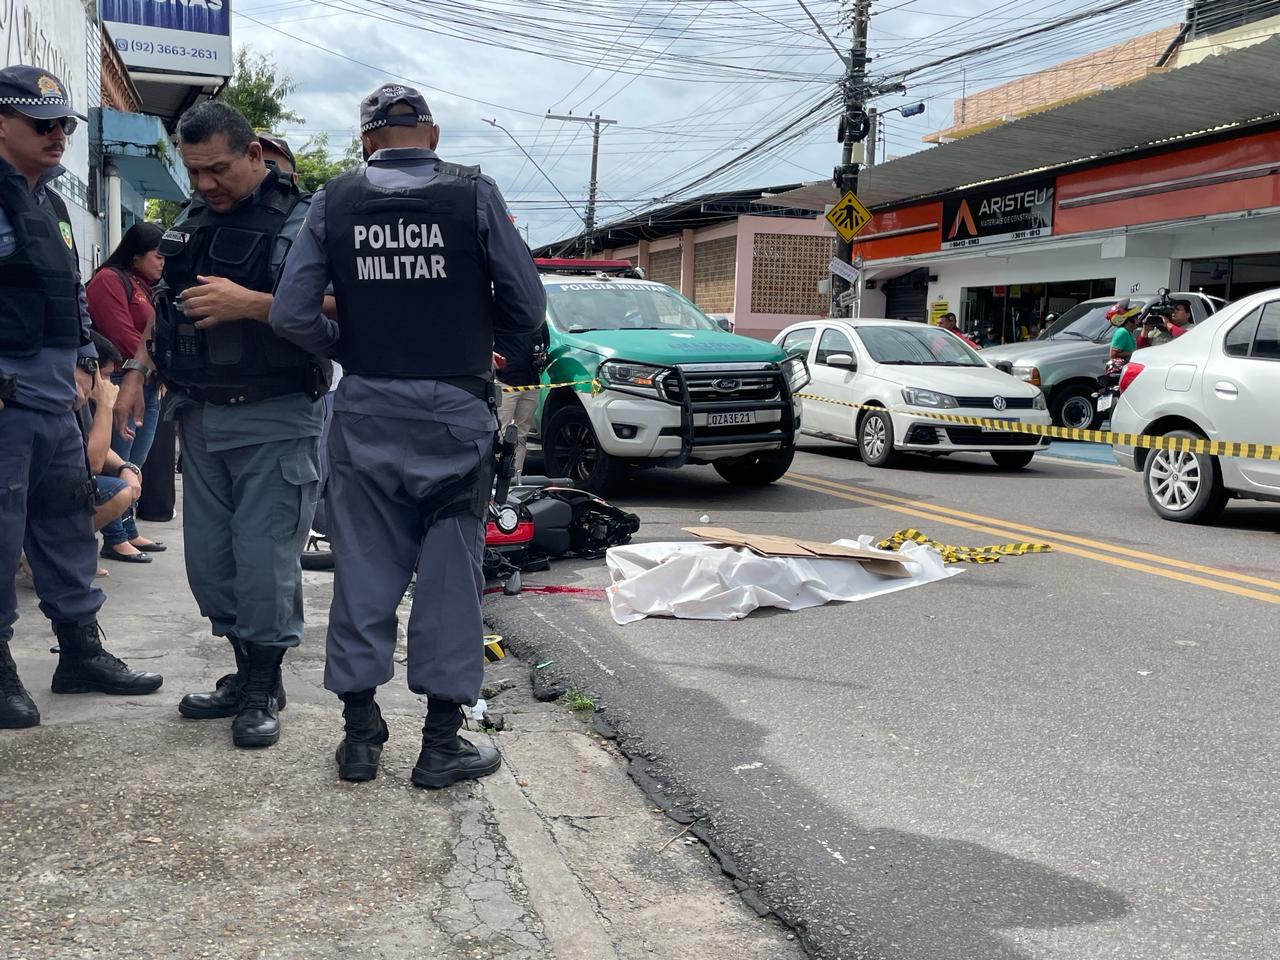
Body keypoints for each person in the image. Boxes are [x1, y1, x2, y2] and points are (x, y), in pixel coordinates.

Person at [269, 84, 545, 787]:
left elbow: (292, 313)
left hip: (363, 412)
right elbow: (526, 298)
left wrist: (345, 345)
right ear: (432, 135)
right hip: (454, 414)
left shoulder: (333, 202)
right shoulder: (473, 194)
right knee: (450, 576)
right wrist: (504, 353)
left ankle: (360, 737)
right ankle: (440, 743)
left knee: (363, 570)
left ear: (366, 141)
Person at [115, 100, 329, 750]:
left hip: (274, 414)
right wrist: (137, 367)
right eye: (194, 170)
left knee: (265, 563)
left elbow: (350, 306)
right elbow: (165, 302)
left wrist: (257, 305)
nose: (205, 183)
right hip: (200, 416)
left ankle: (263, 686)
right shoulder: (191, 218)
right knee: (211, 564)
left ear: (254, 156)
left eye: (217, 170)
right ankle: (244, 675)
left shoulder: (307, 218)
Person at [0, 64, 162, 729]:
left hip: (53, 407)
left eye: (62, 123)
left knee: (67, 531)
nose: (57, 134)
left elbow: (67, 299)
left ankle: (79, 652)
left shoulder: (52, 205)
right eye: (41, 124)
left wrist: (86, 362)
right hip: (8, 405)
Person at [85, 221, 166, 562]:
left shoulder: (146, 286)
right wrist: (150, 365)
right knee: (116, 459)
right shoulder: (109, 280)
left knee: (136, 460)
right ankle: (115, 536)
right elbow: (120, 334)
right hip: (120, 380)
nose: (163, 262)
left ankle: (128, 528)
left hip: (147, 383)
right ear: (136, 255)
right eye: (156, 255)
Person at [495, 316, 549, 479]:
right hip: (504, 383)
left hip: (530, 384)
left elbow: (545, 347)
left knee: (521, 435)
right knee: (500, 434)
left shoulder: (539, 322)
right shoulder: (500, 319)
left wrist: (542, 359)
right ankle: (494, 479)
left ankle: (514, 479)